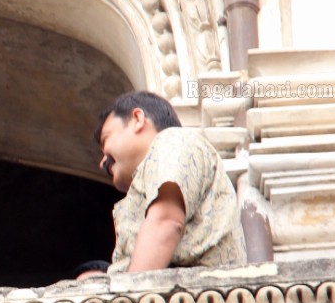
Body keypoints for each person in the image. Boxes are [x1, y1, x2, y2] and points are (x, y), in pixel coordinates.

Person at [81, 90, 246, 274]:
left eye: (106, 139)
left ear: (137, 119)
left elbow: (166, 221)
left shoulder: (172, 141)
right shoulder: (148, 175)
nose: (103, 161)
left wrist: (131, 299)